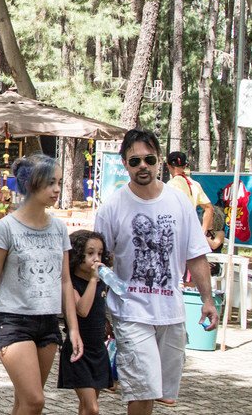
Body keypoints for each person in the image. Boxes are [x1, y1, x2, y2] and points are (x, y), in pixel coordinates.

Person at [94, 128, 218, 415]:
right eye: (134, 161)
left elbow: (196, 256)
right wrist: (100, 309)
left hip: (170, 310)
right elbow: (97, 261)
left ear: (159, 160)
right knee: (142, 387)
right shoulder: (112, 207)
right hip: (130, 311)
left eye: (148, 159)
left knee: (158, 391)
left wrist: (208, 300)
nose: (143, 167)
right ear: (124, 163)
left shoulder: (178, 202)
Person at [0, 153, 83, 415]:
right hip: (13, 322)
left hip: (49, 323)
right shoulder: (6, 227)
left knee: (24, 402)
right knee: (35, 401)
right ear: (32, 184)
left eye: (59, 182)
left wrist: (73, 329)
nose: (56, 190)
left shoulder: (59, 229)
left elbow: (65, 281)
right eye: (51, 183)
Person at [58, 230, 113, 415]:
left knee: (86, 407)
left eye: (99, 253)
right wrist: (93, 280)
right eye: (90, 253)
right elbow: (82, 309)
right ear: (76, 254)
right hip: (78, 351)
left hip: (98, 349)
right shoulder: (70, 283)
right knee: (92, 408)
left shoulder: (99, 281)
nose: (96, 259)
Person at [165, 151, 214, 236]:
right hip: (191, 231)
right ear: (184, 166)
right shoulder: (194, 184)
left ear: (168, 166)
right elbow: (209, 208)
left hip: (176, 232)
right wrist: (203, 231)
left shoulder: (170, 185)